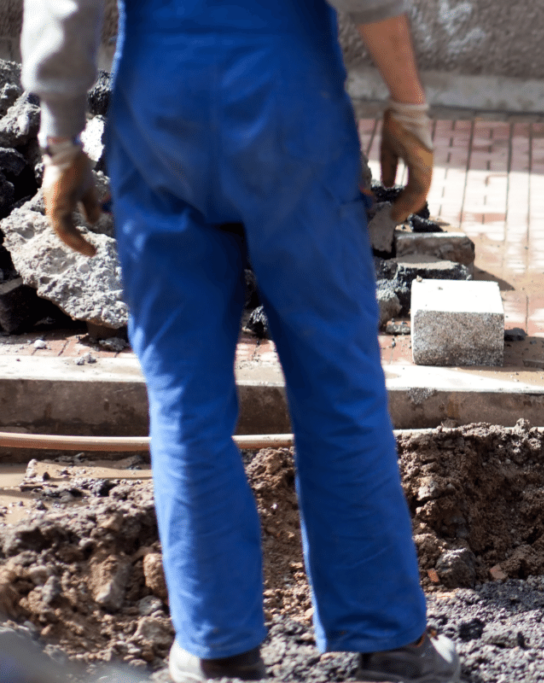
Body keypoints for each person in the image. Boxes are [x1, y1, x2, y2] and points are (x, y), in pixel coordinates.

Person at [22, 0, 458, 681]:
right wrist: (408, 109)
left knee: (183, 395)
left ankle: (215, 647)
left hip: (161, 107)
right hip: (290, 97)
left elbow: (68, 5)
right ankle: (390, 642)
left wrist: (62, 141)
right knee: (336, 380)